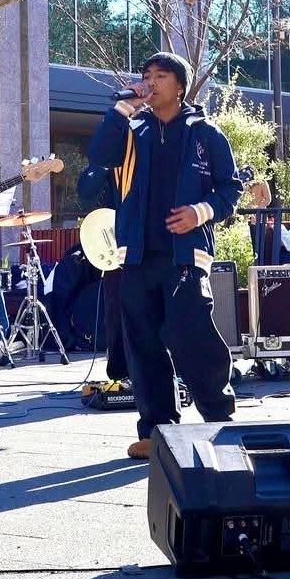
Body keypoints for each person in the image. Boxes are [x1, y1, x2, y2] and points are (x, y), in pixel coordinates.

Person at [87, 52, 244, 461]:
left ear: (180, 85)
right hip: (136, 256)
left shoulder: (205, 133)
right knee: (143, 345)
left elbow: (230, 190)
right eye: (146, 75)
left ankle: (218, 421)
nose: (150, 82)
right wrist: (121, 108)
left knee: (192, 337)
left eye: (160, 75)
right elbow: (100, 158)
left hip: (184, 256)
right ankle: (157, 430)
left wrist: (199, 212)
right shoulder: (131, 129)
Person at [75, 162, 129, 384]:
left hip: (144, 244)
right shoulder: (106, 160)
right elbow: (85, 192)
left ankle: (151, 373)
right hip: (114, 249)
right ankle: (118, 373)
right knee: (115, 310)